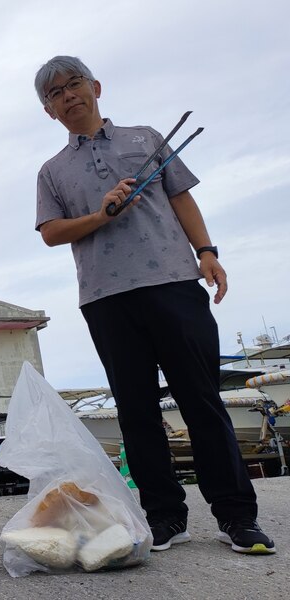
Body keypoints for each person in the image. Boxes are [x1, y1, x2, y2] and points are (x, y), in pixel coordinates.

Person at [34, 56, 274, 555]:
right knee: (136, 411)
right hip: (105, 298)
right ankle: (165, 517)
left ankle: (237, 516)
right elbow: (52, 232)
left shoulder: (145, 138)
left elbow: (182, 197)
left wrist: (207, 252)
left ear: (96, 86)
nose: (68, 95)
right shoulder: (52, 171)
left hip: (174, 282)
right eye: (55, 93)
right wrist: (100, 215)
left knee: (202, 401)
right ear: (48, 110)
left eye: (74, 84)